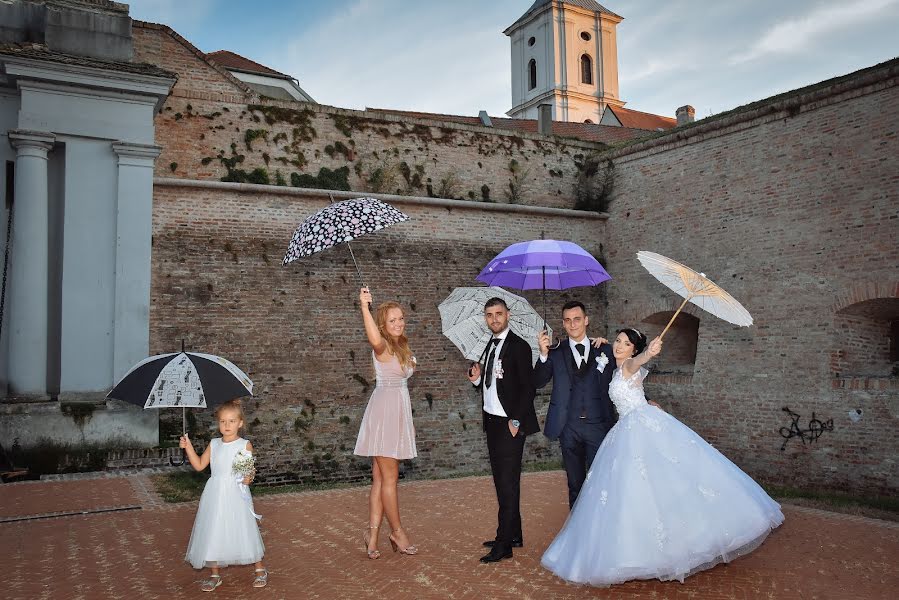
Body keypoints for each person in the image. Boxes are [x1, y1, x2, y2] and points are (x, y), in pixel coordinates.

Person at [541, 328, 784, 586]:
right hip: (626, 427)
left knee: (661, 482)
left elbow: (637, 363)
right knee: (635, 491)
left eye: (626, 344)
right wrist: (602, 343)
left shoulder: (629, 366)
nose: (620, 346)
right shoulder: (614, 368)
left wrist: (648, 353)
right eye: (618, 341)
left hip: (640, 426)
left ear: (634, 349)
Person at [466, 297, 539, 563]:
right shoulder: (489, 344)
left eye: (498, 314)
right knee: (503, 482)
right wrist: (476, 380)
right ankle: (514, 534)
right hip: (492, 421)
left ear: (508, 315)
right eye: (489, 315)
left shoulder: (519, 346)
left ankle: (503, 543)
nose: (494, 319)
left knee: (506, 484)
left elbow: (528, 388)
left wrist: (516, 421)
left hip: (509, 423)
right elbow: (492, 383)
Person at [353, 286, 418, 559]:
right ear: (382, 324)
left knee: (379, 479)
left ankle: (372, 536)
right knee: (390, 479)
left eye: (401, 318)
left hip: (397, 411)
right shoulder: (382, 345)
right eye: (392, 320)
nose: (399, 323)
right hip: (385, 414)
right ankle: (398, 531)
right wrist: (364, 307)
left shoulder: (402, 344)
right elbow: (373, 340)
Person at [535, 301, 617, 508]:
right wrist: (543, 355)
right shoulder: (554, 352)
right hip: (568, 427)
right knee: (574, 483)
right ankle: (576, 531)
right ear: (563, 324)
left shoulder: (605, 349)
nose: (573, 325)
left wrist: (647, 400)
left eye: (577, 319)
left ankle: (599, 527)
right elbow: (538, 381)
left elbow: (625, 378)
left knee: (601, 481)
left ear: (586, 320)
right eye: (568, 320)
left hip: (598, 426)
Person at [180, 399, 267, 592]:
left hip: (236, 493)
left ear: (240, 423)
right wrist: (188, 447)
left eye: (231, 421)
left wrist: (248, 478)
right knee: (214, 529)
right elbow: (200, 465)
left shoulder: (244, 445)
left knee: (243, 529)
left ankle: (260, 569)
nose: (227, 426)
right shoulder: (214, 444)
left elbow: (248, 473)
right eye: (223, 421)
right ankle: (214, 574)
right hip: (215, 493)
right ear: (218, 423)